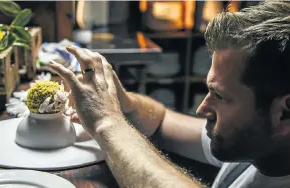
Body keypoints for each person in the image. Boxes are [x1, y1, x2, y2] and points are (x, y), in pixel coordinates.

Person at [49, 1, 290, 187]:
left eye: (220, 96)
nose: (202, 109)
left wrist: (106, 121)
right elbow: (162, 122)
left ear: (284, 113)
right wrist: (124, 103)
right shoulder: (257, 144)